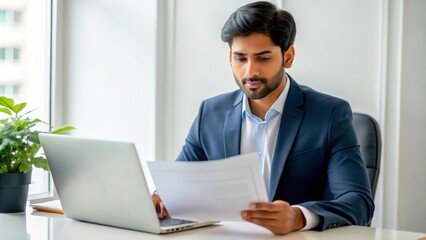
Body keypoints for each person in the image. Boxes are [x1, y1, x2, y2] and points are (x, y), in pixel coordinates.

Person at [153, 1, 374, 235]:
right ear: (230, 58)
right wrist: (161, 200)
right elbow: (176, 188)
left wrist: (298, 217)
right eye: (241, 58)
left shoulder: (329, 115)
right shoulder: (211, 113)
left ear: (288, 57)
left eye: (263, 58)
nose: (250, 71)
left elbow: (358, 202)